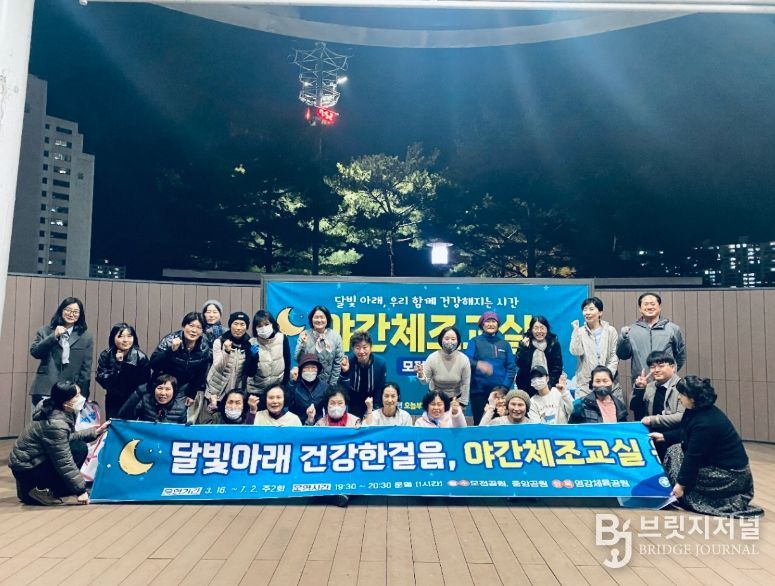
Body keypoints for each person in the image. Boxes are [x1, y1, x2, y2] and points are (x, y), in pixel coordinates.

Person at [650, 376, 763, 517]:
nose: (679, 398)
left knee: (680, 459)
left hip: (730, 475)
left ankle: (685, 493)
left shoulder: (706, 422)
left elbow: (693, 457)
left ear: (692, 398)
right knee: (675, 450)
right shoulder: (695, 410)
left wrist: (680, 486)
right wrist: (664, 436)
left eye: (682, 395)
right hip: (714, 462)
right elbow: (686, 432)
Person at [9, 382, 110, 506]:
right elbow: (64, 461)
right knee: (77, 450)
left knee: (78, 448)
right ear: (66, 401)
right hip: (27, 468)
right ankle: (37, 490)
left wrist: (96, 431)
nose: (81, 398)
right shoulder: (55, 423)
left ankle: (33, 489)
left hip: (31, 461)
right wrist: (80, 491)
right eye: (77, 396)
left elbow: (66, 438)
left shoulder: (56, 408)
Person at [29, 297, 94, 406]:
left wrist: (83, 396)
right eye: (68, 310)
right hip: (45, 388)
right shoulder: (45, 330)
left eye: (75, 312)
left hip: (69, 392)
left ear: (80, 315)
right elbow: (35, 352)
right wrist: (53, 336)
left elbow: (85, 370)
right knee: (42, 417)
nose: (71, 314)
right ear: (61, 310)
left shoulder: (86, 337)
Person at [617, 292, 686, 391]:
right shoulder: (631, 330)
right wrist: (623, 338)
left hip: (667, 383)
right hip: (641, 382)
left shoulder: (672, 329)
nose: (649, 307)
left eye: (653, 304)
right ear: (640, 308)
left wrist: (670, 371)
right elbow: (623, 355)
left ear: (660, 307)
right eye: (645, 304)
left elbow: (680, 355)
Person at [464, 311, 517, 425]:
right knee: (480, 423)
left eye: (493, 321)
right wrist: (478, 364)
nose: (491, 324)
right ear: (482, 324)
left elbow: (511, 368)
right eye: (488, 321)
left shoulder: (505, 344)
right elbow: (466, 360)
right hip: (479, 392)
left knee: (501, 423)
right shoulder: (474, 341)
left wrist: (504, 388)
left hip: (500, 393)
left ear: (498, 325)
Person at [203, 311, 257, 414]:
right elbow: (218, 367)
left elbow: (250, 372)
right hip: (216, 391)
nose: (238, 328)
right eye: (235, 324)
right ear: (230, 325)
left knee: (233, 419)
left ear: (246, 327)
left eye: (242, 324)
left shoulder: (249, 345)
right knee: (213, 418)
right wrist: (226, 352)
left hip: (235, 394)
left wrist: (254, 358)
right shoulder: (220, 342)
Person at [149, 311, 211, 401]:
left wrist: (191, 394)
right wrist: (171, 351)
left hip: (182, 389)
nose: (194, 330)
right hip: (163, 386)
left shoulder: (204, 348)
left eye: (199, 327)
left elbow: (200, 375)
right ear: (183, 326)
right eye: (191, 325)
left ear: (202, 332)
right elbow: (153, 364)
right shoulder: (169, 340)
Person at [96, 322, 151, 419]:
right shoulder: (106, 355)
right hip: (113, 399)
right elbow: (104, 381)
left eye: (129, 336)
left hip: (134, 399)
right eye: (121, 336)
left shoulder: (141, 357)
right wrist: (118, 364)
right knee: (113, 424)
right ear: (113, 338)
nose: (125, 340)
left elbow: (145, 384)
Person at [569, 297, 621, 399]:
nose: (587, 313)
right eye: (585, 310)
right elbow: (576, 352)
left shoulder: (610, 331)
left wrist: (607, 376)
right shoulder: (580, 332)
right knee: (586, 408)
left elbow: (614, 356)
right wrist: (575, 331)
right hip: (586, 384)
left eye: (591, 309)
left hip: (608, 382)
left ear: (600, 312)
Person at [415, 326, 471, 408]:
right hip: (435, 400)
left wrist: (463, 404)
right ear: (441, 340)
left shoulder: (464, 359)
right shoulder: (432, 358)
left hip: (455, 401)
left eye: (453, 339)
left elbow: (466, 384)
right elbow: (424, 382)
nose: (450, 342)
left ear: (458, 341)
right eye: (447, 339)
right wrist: (420, 374)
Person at [339, 330, 387, 418]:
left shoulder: (380, 364)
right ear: (353, 349)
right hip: (354, 400)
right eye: (357, 348)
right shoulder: (348, 361)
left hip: (373, 398)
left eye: (365, 347)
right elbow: (342, 388)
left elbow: (380, 388)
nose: (361, 351)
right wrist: (345, 372)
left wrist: (374, 409)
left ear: (370, 347)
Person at [630, 351, 684, 431]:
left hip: (675, 434)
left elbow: (682, 416)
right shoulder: (649, 387)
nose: (656, 370)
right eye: (652, 367)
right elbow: (634, 407)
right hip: (651, 433)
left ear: (672, 368)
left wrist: (653, 420)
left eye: (661, 366)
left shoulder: (682, 386)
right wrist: (639, 389)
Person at [293, 305, 344, 387]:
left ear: (327, 319)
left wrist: (332, 384)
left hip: (328, 383)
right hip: (307, 382)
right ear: (311, 319)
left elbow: (337, 363)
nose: (319, 320)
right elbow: (297, 359)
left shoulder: (335, 337)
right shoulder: (305, 335)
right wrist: (302, 344)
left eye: (322, 317)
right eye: (316, 317)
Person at [246, 309, 291, 397]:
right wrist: (253, 358)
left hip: (277, 389)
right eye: (259, 326)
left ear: (272, 324)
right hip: (257, 390)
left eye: (266, 324)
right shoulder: (251, 343)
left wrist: (284, 384)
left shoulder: (282, 338)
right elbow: (250, 373)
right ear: (255, 328)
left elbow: (287, 362)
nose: (263, 328)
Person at [515, 316, 563, 396]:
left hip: (547, 386)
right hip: (526, 385)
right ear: (531, 329)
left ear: (547, 329)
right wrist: (524, 348)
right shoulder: (525, 342)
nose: (539, 331)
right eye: (536, 328)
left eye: (542, 328)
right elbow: (519, 364)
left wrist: (549, 386)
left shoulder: (553, 343)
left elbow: (557, 368)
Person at [119, 374, 188, 423]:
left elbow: (181, 433)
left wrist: (188, 429)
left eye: (168, 389)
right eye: (159, 388)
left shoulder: (181, 408)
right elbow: (124, 417)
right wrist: (137, 394)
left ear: (174, 392)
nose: (163, 393)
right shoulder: (145, 401)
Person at [288, 353, 329, 425]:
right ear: (301, 369)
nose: (310, 370)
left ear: (318, 370)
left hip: (318, 424)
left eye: (313, 367)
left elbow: (328, 409)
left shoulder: (325, 386)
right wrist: (292, 382)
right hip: (297, 424)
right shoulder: (294, 384)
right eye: (306, 367)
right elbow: (287, 403)